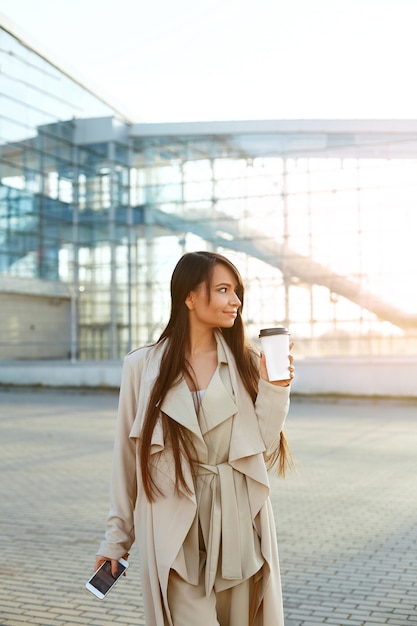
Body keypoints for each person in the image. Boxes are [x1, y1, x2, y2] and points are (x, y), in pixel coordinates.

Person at [94, 250, 294, 626]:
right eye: (222, 290)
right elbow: (126, 460)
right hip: (172, 529)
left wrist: (275, 389)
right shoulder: (142, 367)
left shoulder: (248, 363)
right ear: (188, 297)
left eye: (236, 291)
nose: (235, 301)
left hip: (237, 524)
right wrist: (115, 542)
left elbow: (261, 450)